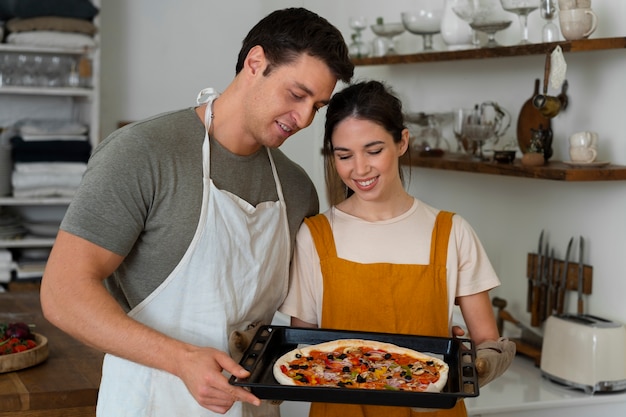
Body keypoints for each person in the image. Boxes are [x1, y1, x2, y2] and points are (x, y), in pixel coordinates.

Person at [40, 8, 353, 417]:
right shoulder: (143, 153)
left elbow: (303, 314)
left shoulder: (296, 189)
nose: (304, 119)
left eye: (318, 106)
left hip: (253, 408)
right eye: (297, 95)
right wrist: (181, 359)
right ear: (255, 63)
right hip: (153, 402)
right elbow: (63, 293)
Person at [279, 80, 515, 417]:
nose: (359, 169)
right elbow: (304, 348)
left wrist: (470, 359)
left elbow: (486, 342)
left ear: (402, 142)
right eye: (344, 155)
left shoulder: (451, 232)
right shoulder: (315, 236)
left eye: (374, 151)